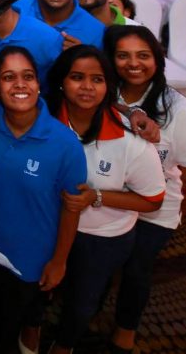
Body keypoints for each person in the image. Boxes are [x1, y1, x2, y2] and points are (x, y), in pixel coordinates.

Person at [46, 45, 165, 354]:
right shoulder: (43, 122)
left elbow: (152, 200)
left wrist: (97, 196)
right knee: (42, 286)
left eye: (97, 79)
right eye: (77, 77)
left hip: (102, 237)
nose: (87, 87)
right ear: (61, 82)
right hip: (48, 226)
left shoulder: (131, 139)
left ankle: (64, 345)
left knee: (83, 301)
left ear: (108, 86)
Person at [0, 46, 86, 354]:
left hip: (32, 253)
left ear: (38, 84)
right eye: (9, 77)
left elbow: (72, 209)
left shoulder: (65, 144)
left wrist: (59, 261)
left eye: (28, 76)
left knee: (16, 314)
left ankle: (24, 329)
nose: (20, 84)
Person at [103, 26, 186, 353]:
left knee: (137, 268)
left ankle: (126, 329)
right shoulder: (104, 92)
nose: (133, 63)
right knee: (98, 262)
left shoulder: (176, 107)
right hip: (109, 198)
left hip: (156, 207)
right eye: (123, 56)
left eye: (143, 55)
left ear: (157, 59)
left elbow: (183, 167)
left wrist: (179, 210)